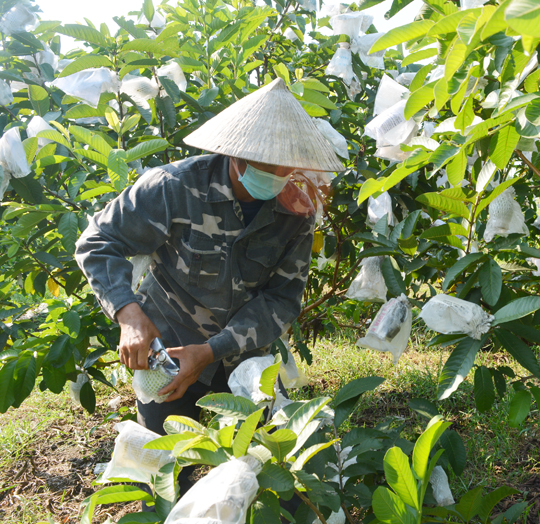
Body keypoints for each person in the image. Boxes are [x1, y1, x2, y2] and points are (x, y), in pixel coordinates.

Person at [75, 78, 343, 483]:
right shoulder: (173, 188)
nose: (278, 177)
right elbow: (98, 241)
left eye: (286, 168)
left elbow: (282, 300)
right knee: (165, 472)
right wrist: (128, 314)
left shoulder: (296, 210)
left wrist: (212, 349)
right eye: (267, 168)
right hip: (167, 349)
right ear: (236, 156)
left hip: (244, 359)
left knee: (265, 472)